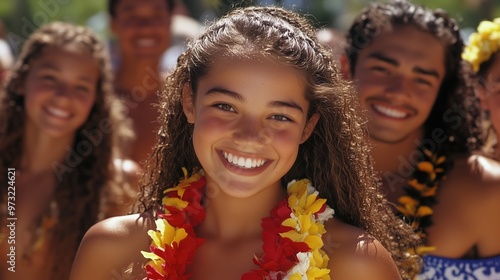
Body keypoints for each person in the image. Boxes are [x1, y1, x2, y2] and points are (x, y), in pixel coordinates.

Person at [70, 6, 422, 280]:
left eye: (280, 116)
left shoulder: (356, 263)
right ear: (189, 102)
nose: (249, 136)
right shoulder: (111, 250)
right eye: (226, 106)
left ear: (308, 126)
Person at [342, 0, 500, 278]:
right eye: (383, 69)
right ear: (346, 67)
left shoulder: (487, 191)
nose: (399, 92)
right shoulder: (294, 172)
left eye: (422, 79)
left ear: (442, 88)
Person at [0, 21, 139, 280]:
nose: (63, 96)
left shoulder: (119, 183)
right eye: (50, 78)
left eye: (81, 87)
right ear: (20, 81)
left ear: (96, 101)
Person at [108, 0, 174, 166]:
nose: (145, 27)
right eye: (132, 15)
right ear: (113, 24)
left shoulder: (188, 99)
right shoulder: (89, 97)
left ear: (170, 22)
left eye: (157, 15)